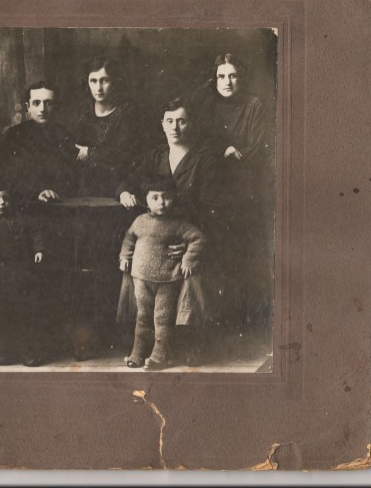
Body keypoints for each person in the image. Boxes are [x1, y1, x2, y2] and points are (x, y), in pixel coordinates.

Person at [116, 97, 221, 364]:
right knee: (136, 273)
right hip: (155, 240)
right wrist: (124, 191)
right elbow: (128, 180)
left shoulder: (204, 159)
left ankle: (187, 341)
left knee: (191, 273)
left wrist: (186, 246)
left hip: (188, 237)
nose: (175, 127)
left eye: (181, 121)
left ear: (191, 124)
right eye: (170, 121)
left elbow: (212, 208)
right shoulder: (155, 156)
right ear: (162, 124)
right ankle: (142, 343)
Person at [189, 54, 274, 329]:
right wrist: (221, 150)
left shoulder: (254, 105)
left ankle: (244, 321)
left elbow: (258, 148)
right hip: (214, 187)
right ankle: (216, 320)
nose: (227, 82)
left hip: (245, 187)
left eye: (233, 75)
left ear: (241, 77)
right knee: (215, 250)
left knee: (243, 253)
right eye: (221, 76)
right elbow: (199, 141)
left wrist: (234, 155)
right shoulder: (207, 104)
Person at [119, 178, 206, 370]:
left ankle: (159, 355)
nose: (161, 202)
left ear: (173, 198)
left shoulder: (178, 224)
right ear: (146, 200)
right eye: (155, 197)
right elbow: (129, 239)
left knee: (162, 318)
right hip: (141, 278)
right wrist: (124, 257)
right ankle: (138, 353)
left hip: (167, 280)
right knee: (142, 316)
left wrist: (189, 259)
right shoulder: (140, 221)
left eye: (166, 197)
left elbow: (197, 238)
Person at [0, 184, 50, 366]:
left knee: (25, 312)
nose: (2, 202)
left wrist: (39, 249)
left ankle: (28, 352)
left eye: (5, 198)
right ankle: (0, 352)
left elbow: (35, 232)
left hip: (21, 273)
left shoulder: (19, 218)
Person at [0, 81, 77, 204]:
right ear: (28, 107)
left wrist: (53, 191)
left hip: (59, 202)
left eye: (48, 103)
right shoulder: (13, 135)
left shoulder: (66, 137)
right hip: (22, 203)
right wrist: (35, 193)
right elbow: (2, 175)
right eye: (36, 103)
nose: (42, 109)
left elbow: (72, 177)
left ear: (56, 106)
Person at [72, 56, 144, 197]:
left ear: (114, 81)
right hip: (87, 185)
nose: (98, 88)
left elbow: (126, 155)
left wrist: (90, 153)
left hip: (121, 187)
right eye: (93, 81)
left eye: (104, 80)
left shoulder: (128, 110)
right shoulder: (83, 110)